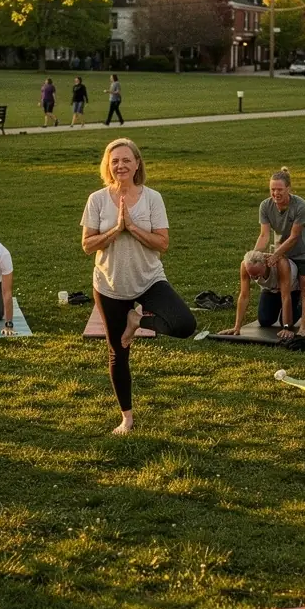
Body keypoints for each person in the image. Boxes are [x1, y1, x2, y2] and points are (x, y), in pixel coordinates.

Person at [81, 138, 195, 434]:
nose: (120, 165)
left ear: (137, 163)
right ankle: (127, 418)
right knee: (118, 352)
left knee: (184, 324)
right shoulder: (97, 199)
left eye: (126, 160)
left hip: (149, 280)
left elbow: (163, 243)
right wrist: (115, 229)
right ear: (108, 165)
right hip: (110, 285)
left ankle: (138, 319)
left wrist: (131, 226)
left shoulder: (152, 198)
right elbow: (87, 244)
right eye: (114, 160)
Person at [254, 168, 305, 338]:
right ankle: (285, 308)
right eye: (272, 189)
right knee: (269, 312)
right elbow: (264, 235)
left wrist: (276, 255)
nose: (275, 193)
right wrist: (254, 256)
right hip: (282, 250)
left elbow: (294, 237)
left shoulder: (300, 205)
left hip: (303, 250)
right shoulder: (265, 206)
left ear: (289, 189)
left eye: (279, 189)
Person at [218, 250, 305, 338]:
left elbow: (285, 296)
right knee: (265, 321)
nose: (254, 278)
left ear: (266, 264)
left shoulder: (281, 264)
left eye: (257, 275)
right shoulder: (245, 265)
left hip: (292, 290)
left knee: (285, 323)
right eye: (252, 275)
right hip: (271, 289)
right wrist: (237, 327)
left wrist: (286, 327)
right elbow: (244, 295)